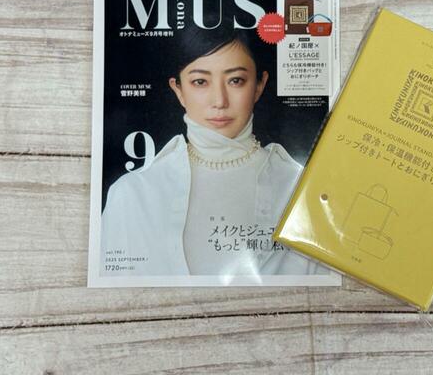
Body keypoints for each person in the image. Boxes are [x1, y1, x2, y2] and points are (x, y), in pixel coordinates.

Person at [100, 26, 329, 279]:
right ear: (178, 90)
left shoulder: (300, 189)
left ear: (259, 85)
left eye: (235, 80)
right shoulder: (132, 194)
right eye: (200, 82)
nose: (219, 101)